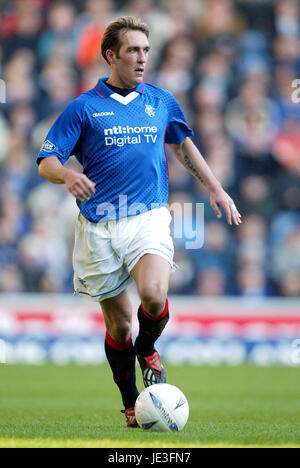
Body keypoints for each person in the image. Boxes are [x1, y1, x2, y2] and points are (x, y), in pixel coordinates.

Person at [37, 16, 242, 428]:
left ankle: (148, 348)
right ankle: (131, 401)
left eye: (146, 50)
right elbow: (46, 161)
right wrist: (69, 175)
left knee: (152, 294)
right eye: (133, 50)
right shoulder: (84, 107)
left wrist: (215, 187)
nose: (142, 58)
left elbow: (183, 142)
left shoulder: (161, 101)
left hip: (147, 215)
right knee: (117, 323)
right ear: (111, 55)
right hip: (98, 225)